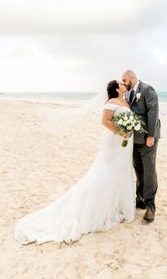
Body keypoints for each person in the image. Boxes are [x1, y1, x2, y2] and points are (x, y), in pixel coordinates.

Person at [14, 80, 135, 244]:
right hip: (113, 140)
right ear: (116, 88)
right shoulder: (112, 102)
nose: (123, 84)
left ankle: (116, 206)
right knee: (106, 170)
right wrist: (121, 132)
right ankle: (97, 208)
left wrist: (128, 131)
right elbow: (105, 121)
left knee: (120, 170)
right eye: (121, 83)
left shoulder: (125, 101)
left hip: (124, 144)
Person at [121, 69, 161, 223]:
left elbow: (153, 112)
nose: (124, 84)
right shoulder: (128, 93)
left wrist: (150, 135)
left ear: (132, 77)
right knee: (138, 169)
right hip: (134, 139)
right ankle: (140, 199)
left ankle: (150, 207)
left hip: (147, 138)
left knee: (149, 171)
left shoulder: (147, 90)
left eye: (124, 80)